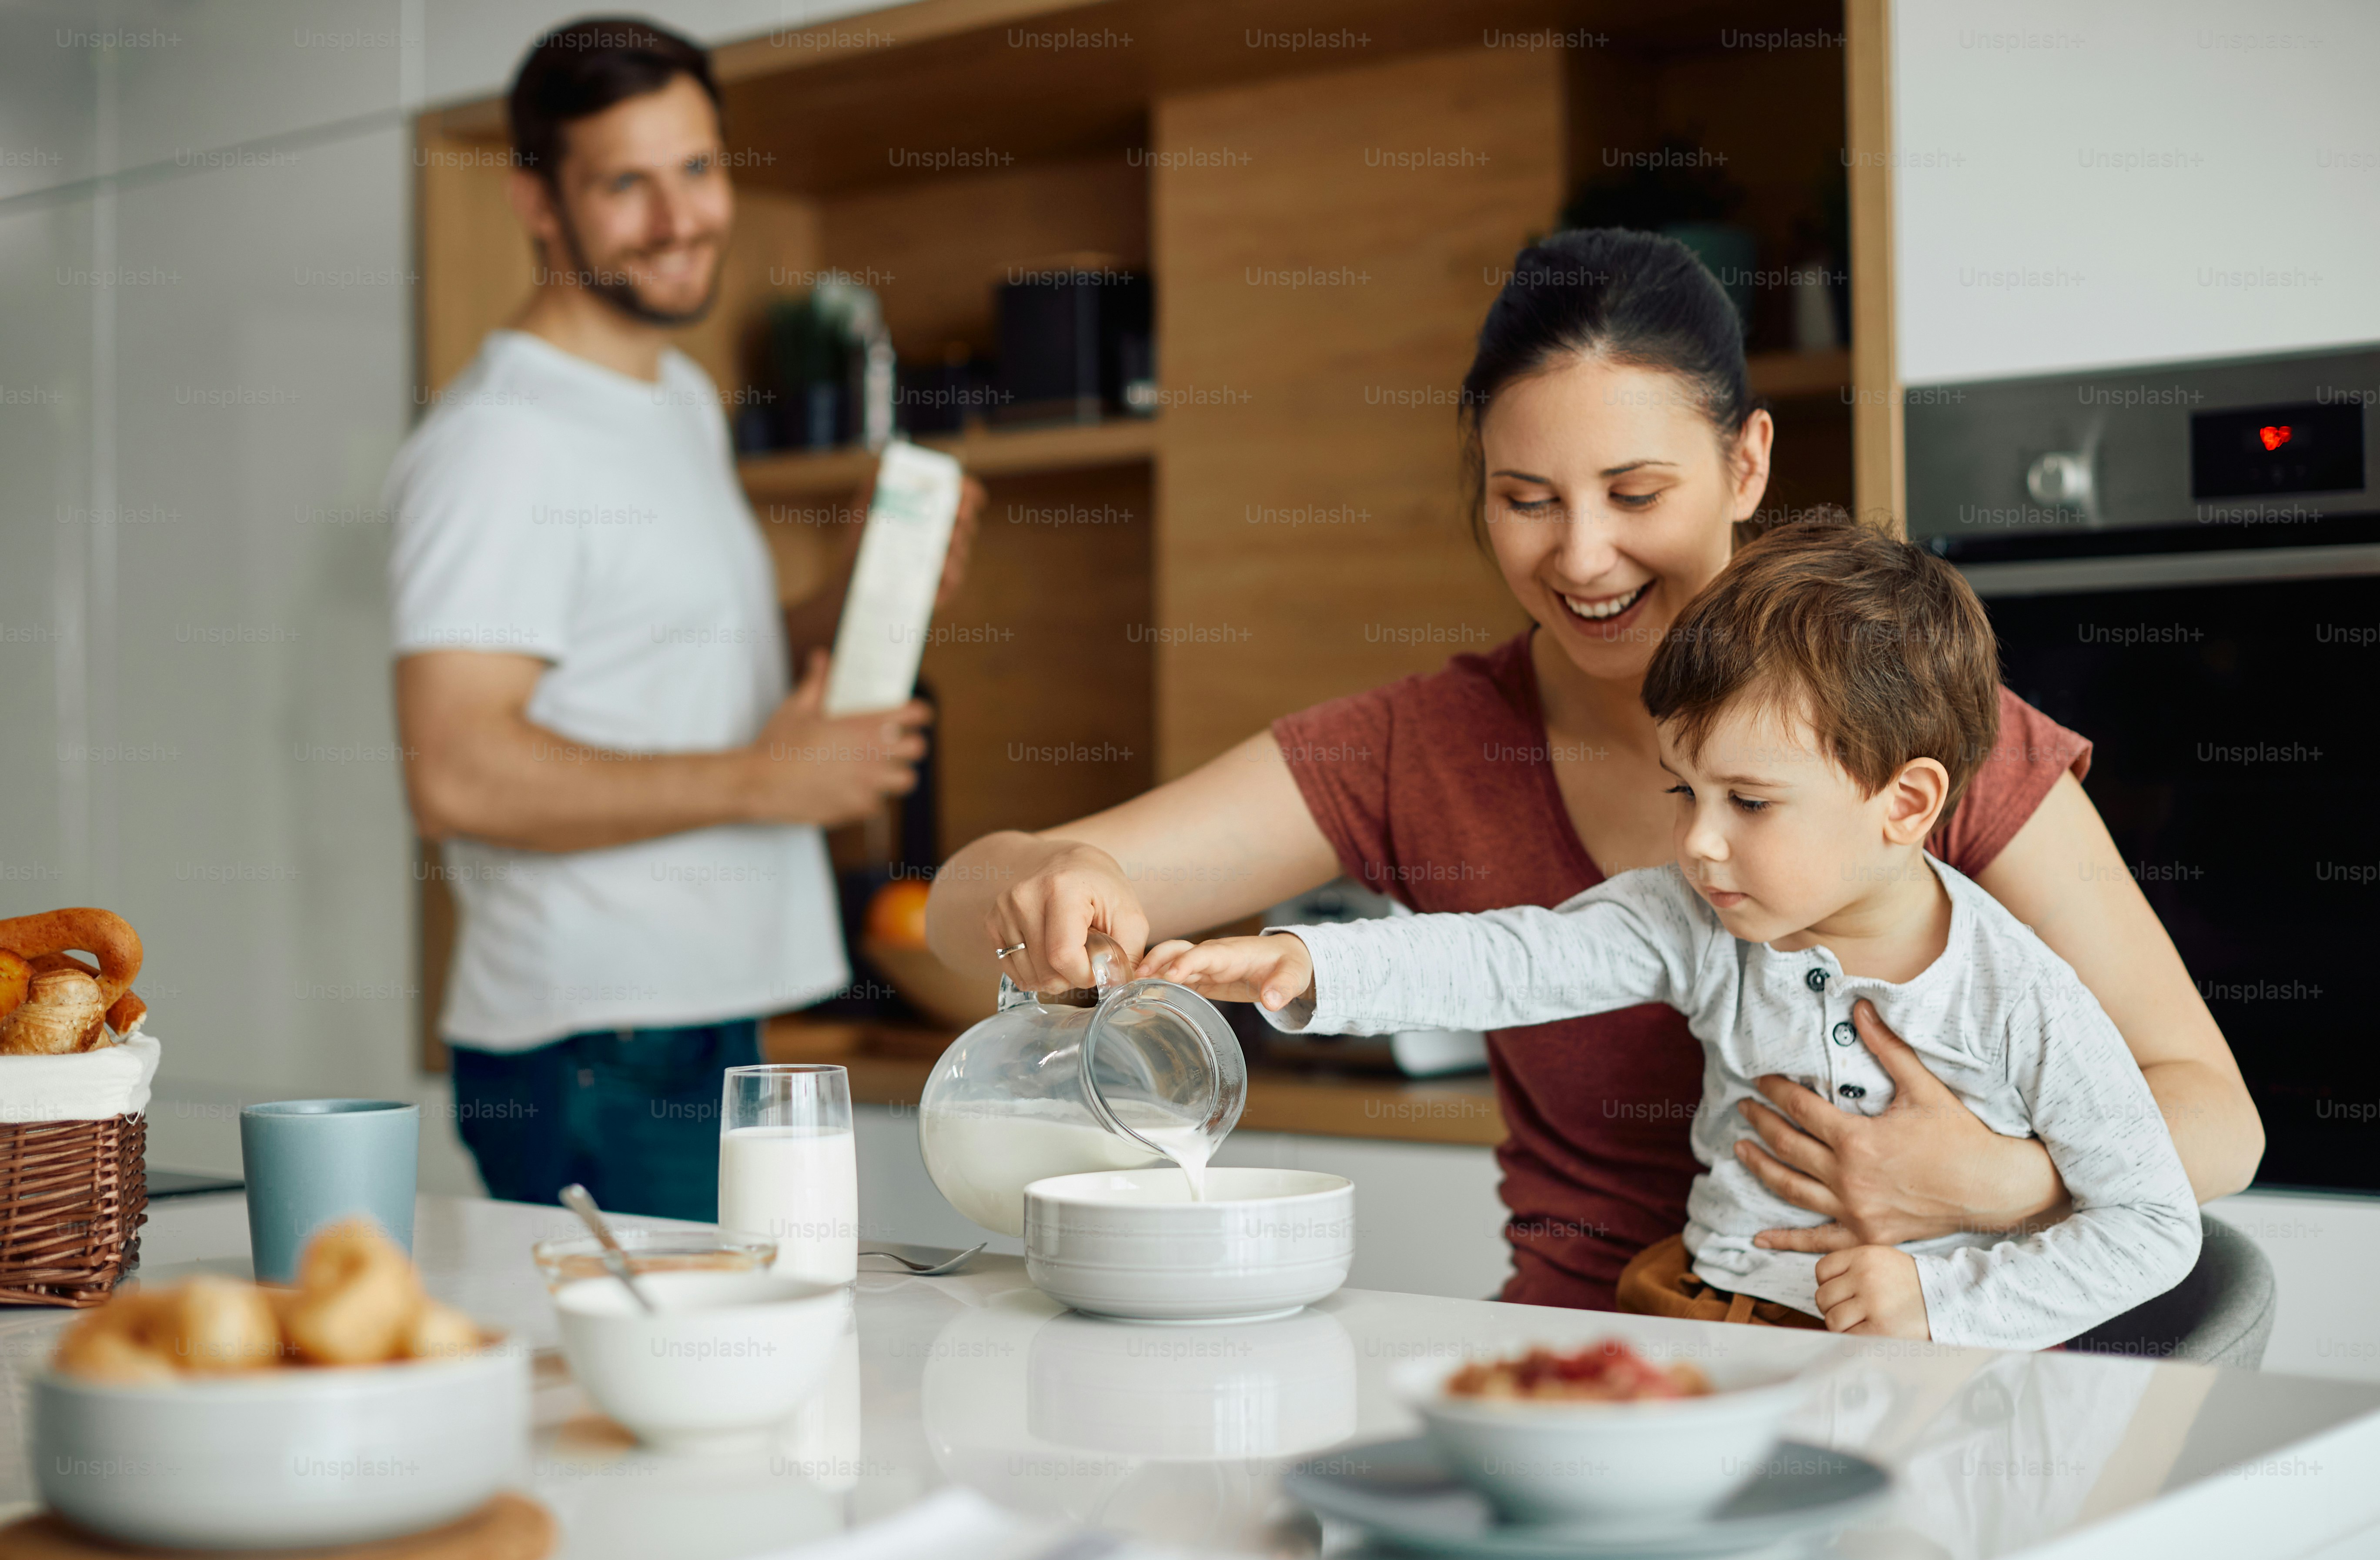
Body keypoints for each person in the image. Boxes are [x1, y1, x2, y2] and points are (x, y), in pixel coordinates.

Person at [924, 228, 2263, 1311]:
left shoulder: (1908, 727)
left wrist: (1993, 1185)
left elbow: (2214, 1118)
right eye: (1526, 500)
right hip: (1588, 1349)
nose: (1579, 557)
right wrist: (1062, 877)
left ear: (1746, 464)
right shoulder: (1427, 741)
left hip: (1896, 1342)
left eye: (1635, 496)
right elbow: (961, 905)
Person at [1140, 518, 2203, 1347]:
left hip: (1924, 1367)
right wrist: (1309, 963)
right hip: (1704, 1329)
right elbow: (1509, 958)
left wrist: (1939, 1299)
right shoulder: (1697, 919)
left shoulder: (2022, 995)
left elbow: (2153, 1228)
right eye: (1683, 790)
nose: (1698, 841)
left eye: (1748, 801)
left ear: (1907, 802)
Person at [386, 19, 980, 1218]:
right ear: (537, 201)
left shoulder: (676, 399)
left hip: (710, 1013)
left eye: (699, 169)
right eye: (626, 185)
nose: (680, 218)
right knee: (647, 1401)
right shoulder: (499, 442)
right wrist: (770, 783)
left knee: (734, 1386)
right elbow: (455, 771)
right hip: (598, 1046)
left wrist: (861, 587)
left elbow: (690, 664)